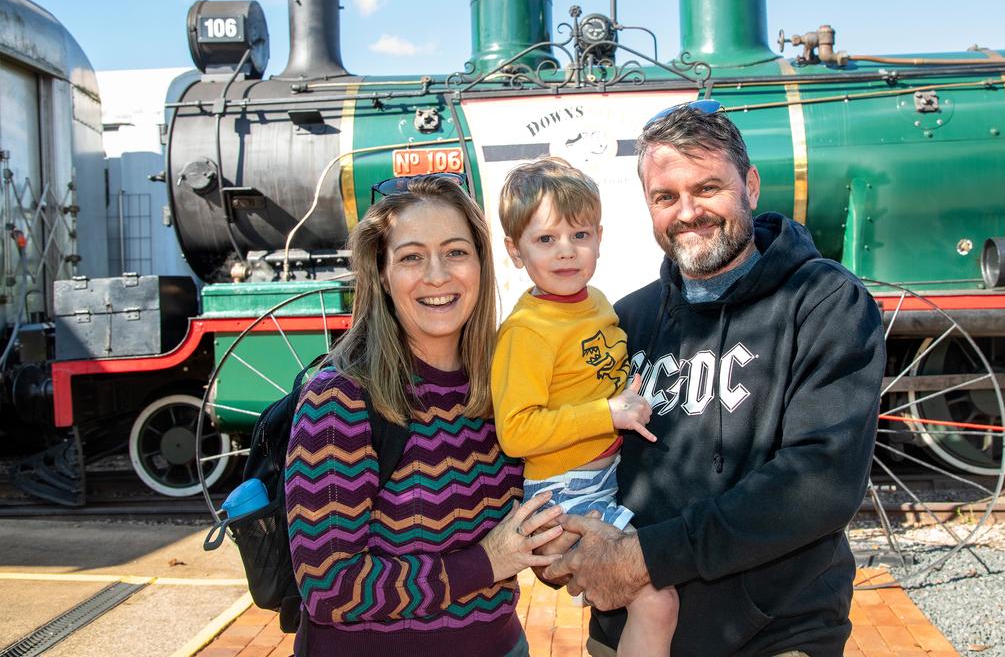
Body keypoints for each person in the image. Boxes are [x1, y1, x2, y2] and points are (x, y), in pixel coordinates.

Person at [545, 102, 885, 657]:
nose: (688, 212)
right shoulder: (628, 319)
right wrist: (565, 542)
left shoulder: (825, 303)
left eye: (707, 188)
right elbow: (574, 451)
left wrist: (647, 557)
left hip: (773, 633)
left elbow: (820, 481)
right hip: (628, 632)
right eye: (665, 197)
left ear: (749, 185)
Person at [284, 173, 565, 657]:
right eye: (412, 256)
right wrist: (486, 562)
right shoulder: (342, 398)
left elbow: (523, 524)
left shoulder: (503, 384)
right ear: (382, 273)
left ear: (481, 264)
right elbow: (330, 587)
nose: (437, 275)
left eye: (456, 251)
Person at [491, 156, 679, 657]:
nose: (566, 252)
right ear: (515, 250)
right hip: (563, 493)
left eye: (579, 235)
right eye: (546, 239)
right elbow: (515, 431)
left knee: (659, 588)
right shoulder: (528, 331)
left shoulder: (594, 300)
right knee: (657, 599)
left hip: (603, 477)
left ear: (599, 236)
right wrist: (608, 414)